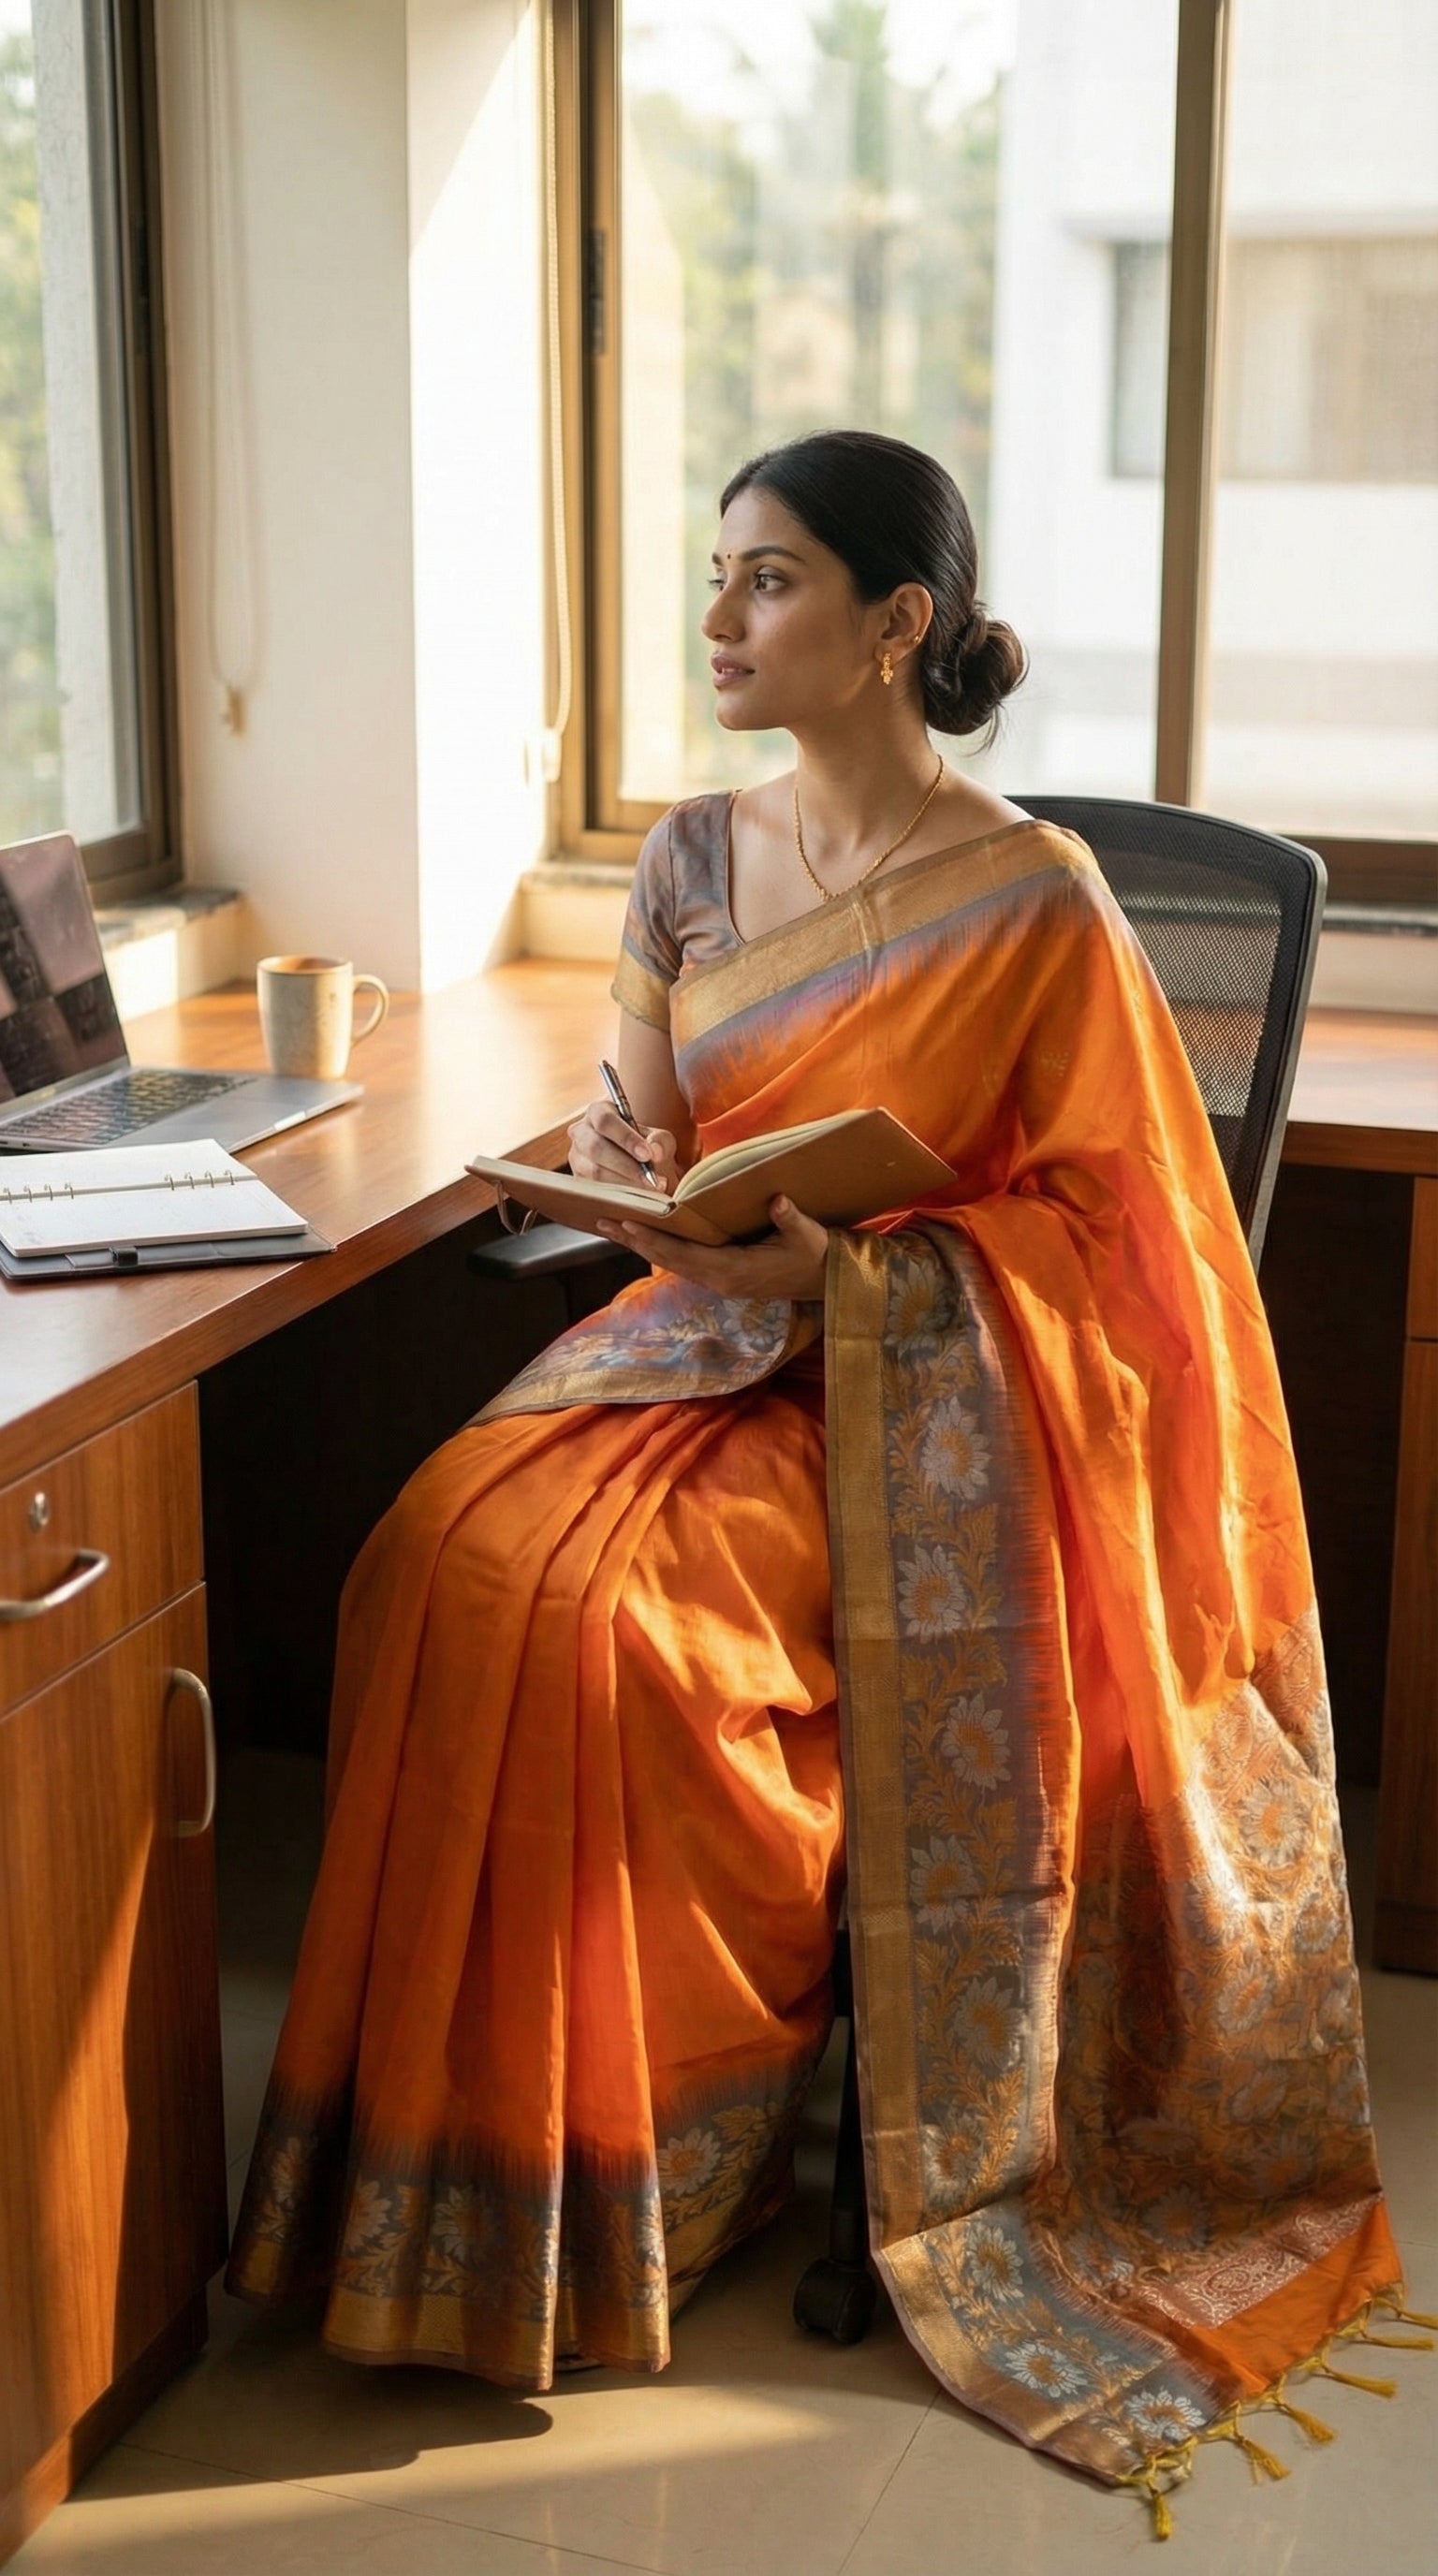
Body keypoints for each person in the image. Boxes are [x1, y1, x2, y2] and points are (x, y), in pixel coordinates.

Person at [229, 431, 1409, 2525]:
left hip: (921, 1396)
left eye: (766, 582)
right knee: (434, 1553)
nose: (717, 622)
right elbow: (638, 1122)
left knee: (613, 1631)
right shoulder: (688, 859)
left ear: (898, 625)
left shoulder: (1036, 899)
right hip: (697, 1330)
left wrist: (857, 1273)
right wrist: (626, 1184)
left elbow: (1135, 1258)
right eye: (715, 576)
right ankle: (451, 2175)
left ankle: (647, 2177)